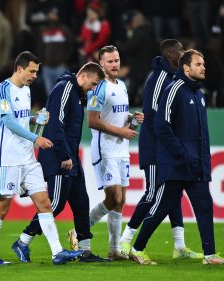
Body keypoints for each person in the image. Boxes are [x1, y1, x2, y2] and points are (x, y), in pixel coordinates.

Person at [0, 51, 83, 265]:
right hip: (9, 159)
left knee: (44, 202)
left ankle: (57, 253)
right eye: (32, 71)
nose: (35, 75)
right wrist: (36, 138)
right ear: (19, 69)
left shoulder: (26, 90)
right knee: (2, 206)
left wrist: (36, 119)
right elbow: (8, 122)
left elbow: (21, 121)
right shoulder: (3, 90)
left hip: (28, 159)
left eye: (37, 71)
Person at [130, 49, 224, 265]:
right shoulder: (175, 89)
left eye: (203, 64)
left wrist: (202, 160)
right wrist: (181, 153)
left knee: (204, 206)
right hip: (177, 164)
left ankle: (209, 255)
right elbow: (161, 125)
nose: (203, 67)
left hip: (196, 164)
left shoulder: (199, 95)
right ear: (186, 67)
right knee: (161, 208)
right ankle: (137, 248)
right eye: (198, 64)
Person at [11, 62, 106, 263]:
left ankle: (85, 250)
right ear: (83, 77)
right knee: (56, 203)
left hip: (71, 156)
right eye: (94, 83)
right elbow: (55, 125)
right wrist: (64, 156)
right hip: (58, 156)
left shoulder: (78, 94)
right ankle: (23, 240)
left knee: (81, 201)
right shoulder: (65, 88)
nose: (93, 88)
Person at [119, 40, 202, 260]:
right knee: (155, 192)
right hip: (156, 146)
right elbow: (154, 115)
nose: (183, 53)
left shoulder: (174, 78)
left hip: (168, 146)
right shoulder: (159, 78)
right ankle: (125, 241)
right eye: (180, 51)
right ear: (169, 53)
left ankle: (179, 246)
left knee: (172, 193)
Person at [86, 45, 144, 261]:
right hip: (105, 149)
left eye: (117, 60)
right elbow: (92, 121)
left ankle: (114, 250)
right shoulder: (99, 87)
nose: (115, 64)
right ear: (101, 64)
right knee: (114, 197)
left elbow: (116, 115)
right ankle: (81, 228)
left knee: (121, 201)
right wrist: (121, 130)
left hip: (121, 149)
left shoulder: (121, 85)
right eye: (110, 61)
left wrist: (131, 118)